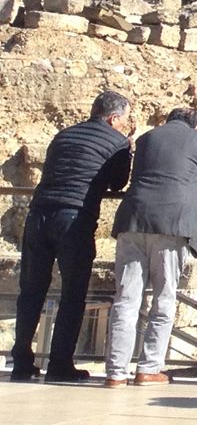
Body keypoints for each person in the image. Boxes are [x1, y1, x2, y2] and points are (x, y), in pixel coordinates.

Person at [10, 91, 134, 383]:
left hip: (38, 214)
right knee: (72, 294)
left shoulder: (64, 135)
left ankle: (21, 363)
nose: (125, 125)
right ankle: (59, 364)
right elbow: (118, 182)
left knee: (30, 292)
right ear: (114, 118)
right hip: (74, 219)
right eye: (125, 120)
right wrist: (127, 148)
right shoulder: (118, 142)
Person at [105, 107, 197, 387]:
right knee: (164, 297)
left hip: (133, 221)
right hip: (173, 225)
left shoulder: (146, 138)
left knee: (126, 297)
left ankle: (115, 372)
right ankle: (148, 368)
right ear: (196, 125)